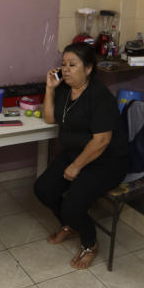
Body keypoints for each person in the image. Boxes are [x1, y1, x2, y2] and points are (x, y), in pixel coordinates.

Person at [34, 43, 129, 269]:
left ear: (88, 68)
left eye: (72, 65)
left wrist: (76, 166)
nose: (65, 69)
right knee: (43, 189)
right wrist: (49, 88)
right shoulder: (66, 89)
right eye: (63, 64)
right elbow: (49, 118)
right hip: (76, 154)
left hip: (106, 161)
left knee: (72, 204)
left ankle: (90, 243)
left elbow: (102, 140)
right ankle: (71, 225)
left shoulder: (99, 96)